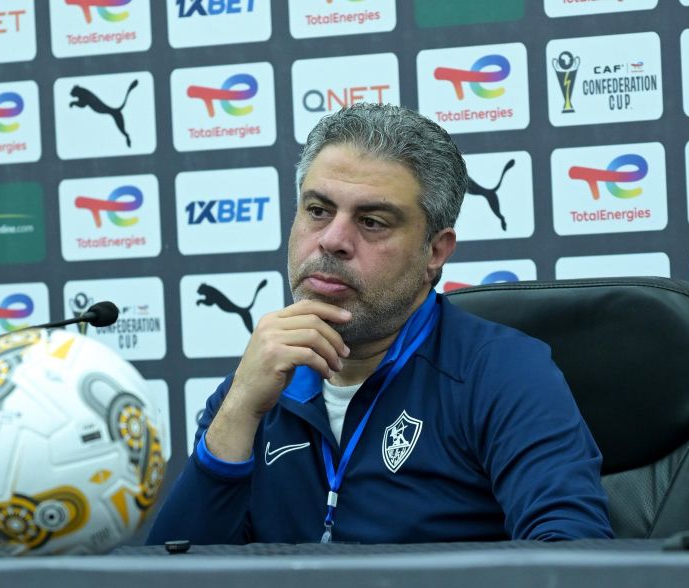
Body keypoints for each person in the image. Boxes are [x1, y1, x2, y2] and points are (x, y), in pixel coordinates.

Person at [148, 104, 611, 544]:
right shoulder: (255, 385)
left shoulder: (505, 373)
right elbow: (167, 581)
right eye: (317, 211)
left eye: (371, 222)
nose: (332, 240)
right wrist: (238, 410)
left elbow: (574, 564)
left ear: (435, 251)